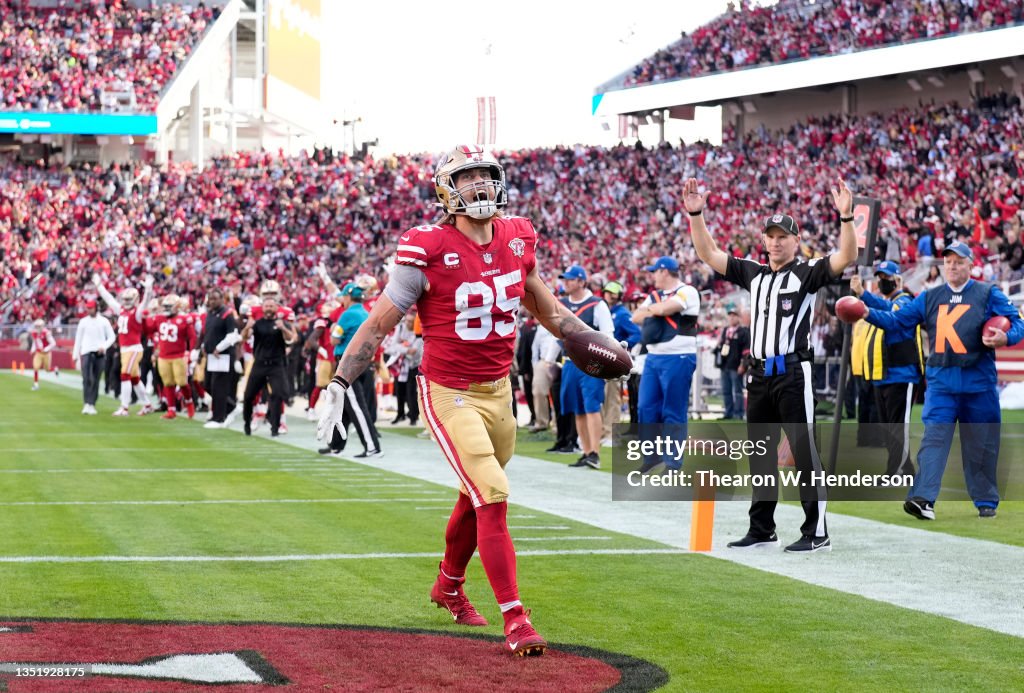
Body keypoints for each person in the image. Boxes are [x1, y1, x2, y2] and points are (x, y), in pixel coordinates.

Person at [316, 145, 609, 657]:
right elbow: (381, 321)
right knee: (492, 491)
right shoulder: (426, 245)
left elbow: (548, 308)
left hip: (499, 390)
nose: (478, 186)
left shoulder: (518, 236)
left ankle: (447, 585)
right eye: (466, 177)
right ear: (446, 189)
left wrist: (596, 341)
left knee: (473, 499)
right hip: (448, 390)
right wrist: (339, 381)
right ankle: (516, 618)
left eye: (484, 176)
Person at [686, 176, 859, 553]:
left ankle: (818, 531)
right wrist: (696, 213)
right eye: (771, 235)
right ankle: (762, 528)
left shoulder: (807, 272)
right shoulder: (755, 274)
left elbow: (847, 257)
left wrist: (846, 218)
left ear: (796, 241)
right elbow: (708, 253)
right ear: (763, 240)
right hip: (759, 373)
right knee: (760, 454)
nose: (776, 241)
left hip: (794, 372)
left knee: (804, 453)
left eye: (783, 236)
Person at [861, 242, 1024, 519]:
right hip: (942, 383)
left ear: (971, 264)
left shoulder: (987, 293)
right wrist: (866, 313)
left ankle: (986, 500)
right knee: (933, 439)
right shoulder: (930, 296)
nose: (952, 266)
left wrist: (1004, 337)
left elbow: (1018, 323)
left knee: (982, 444)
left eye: (958, 262)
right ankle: (922, 498)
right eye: (948, 261)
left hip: (978, 383)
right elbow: (897, 321)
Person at [850, 261, 923, 476]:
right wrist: (863, 295)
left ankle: (896, 471)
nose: (883, 281)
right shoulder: (886, 302)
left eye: (887, 277)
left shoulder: (905, 301)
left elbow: (892, 317)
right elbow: (884, 308)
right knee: (888, 428)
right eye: (880, 277)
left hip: (902, 373)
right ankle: (904, 468)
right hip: (882, 375)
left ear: (898, 279)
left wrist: (864, 303)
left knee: (897, 427)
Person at [630, 256, 701, 472]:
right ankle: (651, 456)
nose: (652, 276)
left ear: (664, 271)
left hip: (678, 356)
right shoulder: (654, 295)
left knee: (673, 410)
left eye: (655, 271)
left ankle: (672, 462)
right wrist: (657, 309)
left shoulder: (687, 290)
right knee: (646, 407)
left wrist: (654, 310)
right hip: (654, 358)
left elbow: (666, 309)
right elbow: (635, 317)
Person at [557, 265, 615, 470]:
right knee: (577, 409)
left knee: (591, 407)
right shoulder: (561, 303)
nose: (566, 283)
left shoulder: (597, 304)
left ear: (582, 281)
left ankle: (595, 453)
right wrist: (548, 359)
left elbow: (608, 334)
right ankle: (586, 451)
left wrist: (607, 362)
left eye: (571, 279)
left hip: (591, 363)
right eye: (566, 279)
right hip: (570, 363)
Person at [320, 282, 382, 457]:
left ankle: (372, 446)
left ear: (348, 296)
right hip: (364, 363)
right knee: (344, 405)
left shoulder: (347, 315)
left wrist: (333, 329)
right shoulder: (366, 313)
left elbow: (334, 340)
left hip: (348, 365)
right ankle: (336, 445)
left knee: (356, 407)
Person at [240, 280, 296, 437]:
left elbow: (293, 336)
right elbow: (245, 335)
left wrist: (287, 345)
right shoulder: (254, 311)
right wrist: (247, 326)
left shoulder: (285, 313)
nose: (269, 299)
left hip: (277, 360)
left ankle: (278, 423)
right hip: (258, 358)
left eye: (272, 295)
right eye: (266, 295)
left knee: (278, 393)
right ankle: (251, 420)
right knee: (249, 394)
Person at [94, 273, 155, 416]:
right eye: (125, 299)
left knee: (125, 375)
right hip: (125, 349)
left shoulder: (137, 312)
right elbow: (109, 299)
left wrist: (148, 289)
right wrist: (99, 286)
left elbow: (146, 302)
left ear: (135, 299)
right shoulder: (121, 310)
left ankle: (124, 407)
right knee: (134, 379)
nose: (126, 301)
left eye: (129, 299)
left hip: (134, 348)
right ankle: (147, 405)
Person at [600, 281, 641, 444]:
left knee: (612, 398)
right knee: (603, 397)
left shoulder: (622, 313)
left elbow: (636, 334)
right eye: (606, 291)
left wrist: (620, 347)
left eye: (612, 292)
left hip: (614, 360)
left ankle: (612, 434)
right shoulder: (605, 311)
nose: (608, 294)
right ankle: (604, 432)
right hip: (603, 359)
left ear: (619, 295)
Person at [200, 288, 241, 429]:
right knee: (208, 385)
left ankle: (219, 418)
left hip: (222, 355)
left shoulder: (227, 314)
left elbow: (233, 335)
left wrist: (219, 347)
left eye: (215, 299)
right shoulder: (210, 313)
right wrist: (204, 347)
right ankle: (230, 407)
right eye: (210, 299)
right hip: (211, 355)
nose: (212, 301)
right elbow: (208, 333)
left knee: (218, 386)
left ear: (222, 299)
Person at [153, 294, 198, 420]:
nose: (166, 309)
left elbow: (192, 337)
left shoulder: (184, 319)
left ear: (177, 307)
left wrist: (190, 351)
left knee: (182, 382)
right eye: (165, 307)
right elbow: (149, 329)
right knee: (167, 383)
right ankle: (171, 410)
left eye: (169, 306)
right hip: (163, 356)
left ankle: (189, 403)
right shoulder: (159, 318)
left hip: (178, 355)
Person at [72, 299, 116, 415]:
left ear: (96, 308)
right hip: (86, 352)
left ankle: (92, 403)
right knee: (87, 378)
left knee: (96, 379)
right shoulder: (83, 322)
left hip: (99, 353)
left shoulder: (104, 321)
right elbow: (78, 339)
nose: (89, 310)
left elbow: (112, 337)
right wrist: (75, 354)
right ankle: (86, 402)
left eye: (91, 308)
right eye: (88, 308)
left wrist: (104, 346)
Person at [384, 311, 423, 426]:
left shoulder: (419, 331)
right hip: (399, 364)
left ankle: (413, 415)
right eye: (407, 321)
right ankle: (400, 413)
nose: (408, 324)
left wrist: (400, 348)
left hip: (413, 364)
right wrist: (405, 349)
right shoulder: (400, 328)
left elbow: (415, 353)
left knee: (411, 391)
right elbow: (391, 347)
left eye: (411, 321)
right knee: (399, 390)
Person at [718, 308, 750, 420]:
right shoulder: (725, 330)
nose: (731, 317)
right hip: (725, 365)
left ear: (739, 318)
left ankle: (739, 413)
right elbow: (722, 347)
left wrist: (743, 365)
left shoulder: (743, 331)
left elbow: (746, 351)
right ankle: (728, 412)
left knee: (737, 391)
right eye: (730, 315)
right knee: (726, 391)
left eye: (734, 315)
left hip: (736, 366)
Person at [29, 318, 57, 391]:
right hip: (38, 353)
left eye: (38, 326)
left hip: (46, 353)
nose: (37, 328)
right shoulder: (34, 333)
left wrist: (46, 349)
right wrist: (32, 349)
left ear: (42, 326)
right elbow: (35, 342)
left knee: (47, 369)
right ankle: (36, 385)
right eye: (36, 326)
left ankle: (55, 369)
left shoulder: (46, 333)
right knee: (36, 367)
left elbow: (53, 343)